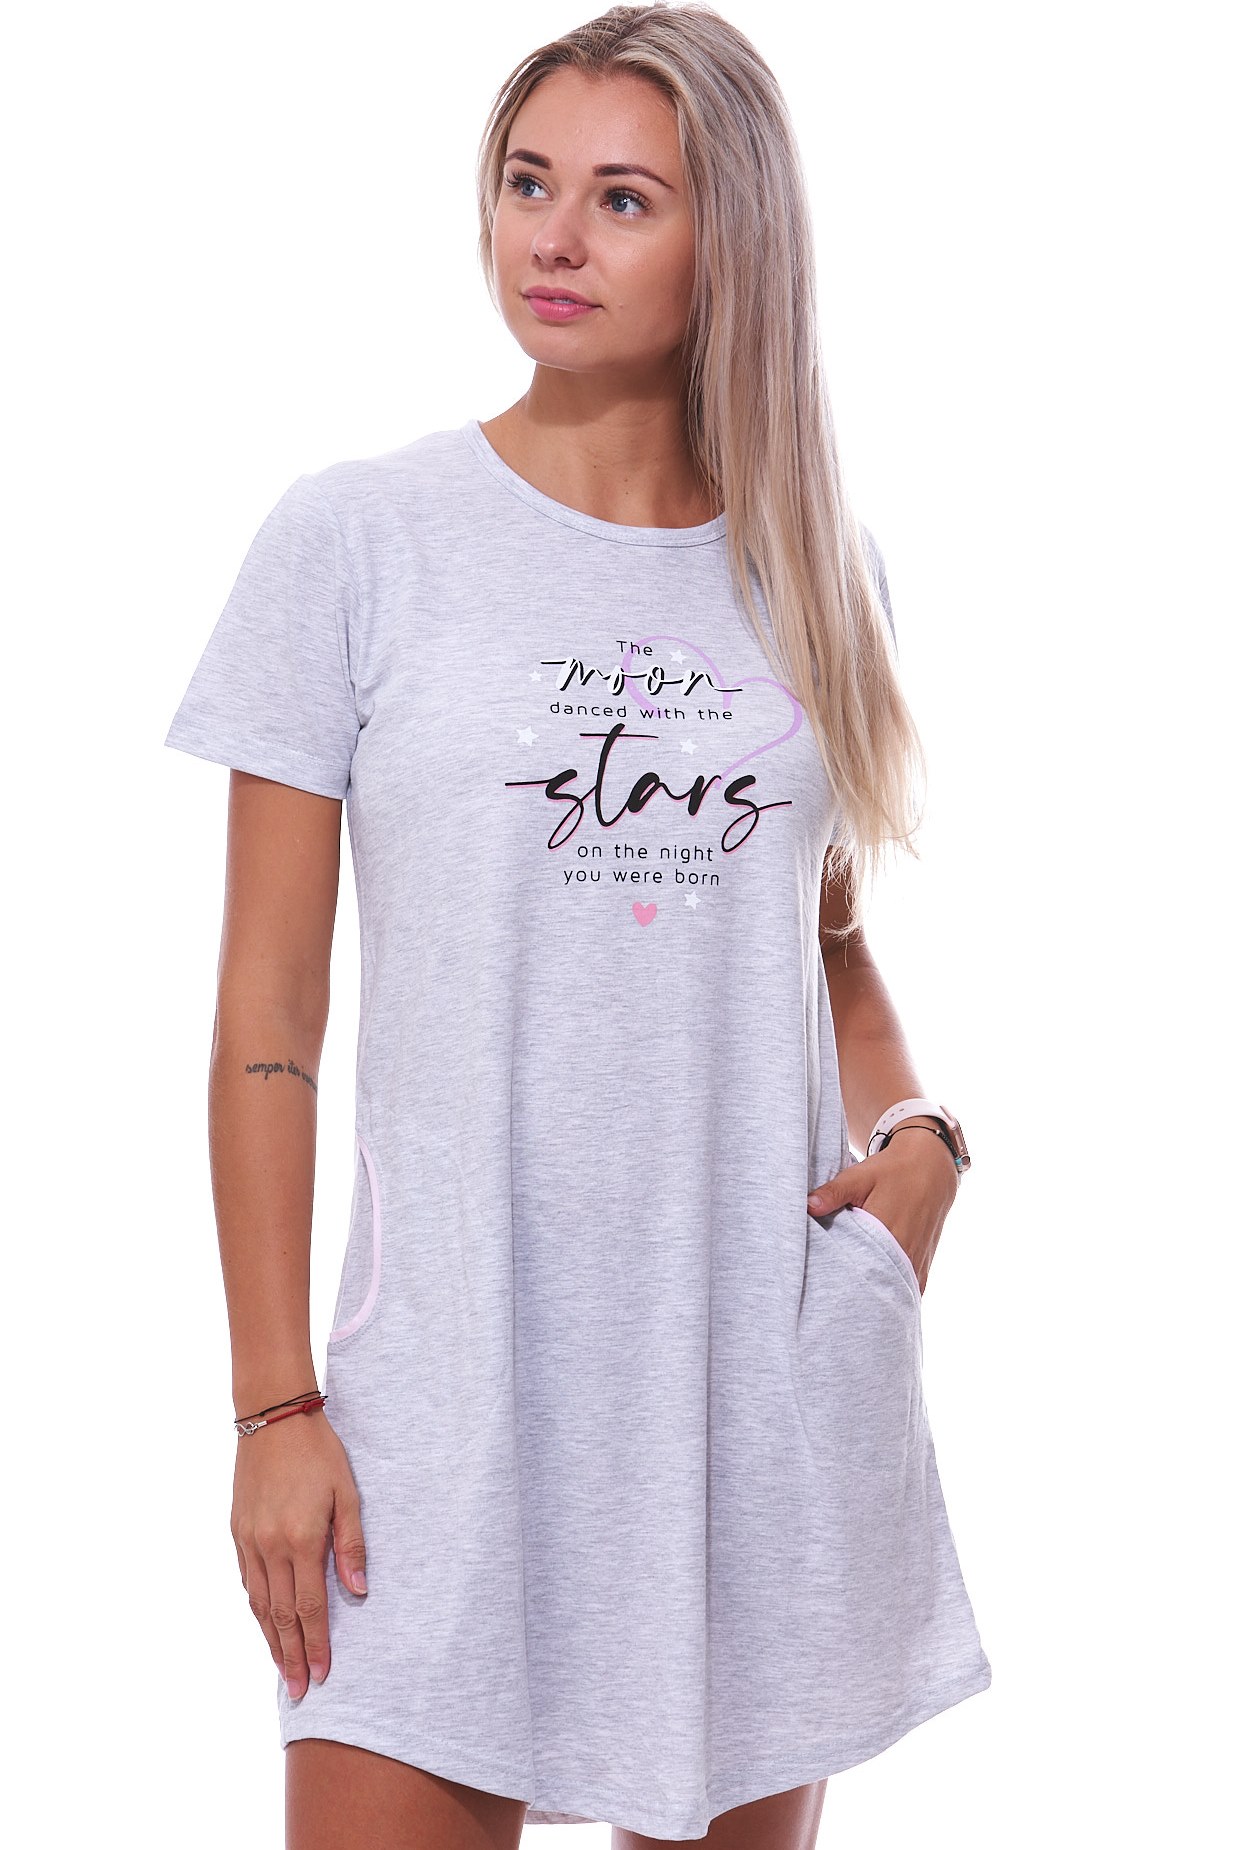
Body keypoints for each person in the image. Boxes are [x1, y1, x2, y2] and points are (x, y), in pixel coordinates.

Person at [164, 5, 992, 1845]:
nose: (552, 236)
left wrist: (926, 1138)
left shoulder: (818, 571)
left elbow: (826, 942)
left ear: (730, 243)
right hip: (438, 1421)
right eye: (528, 182)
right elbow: (267, 1016)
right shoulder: (358, 540)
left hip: (749, 1412)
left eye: (623, 198)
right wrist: (273, 1405)